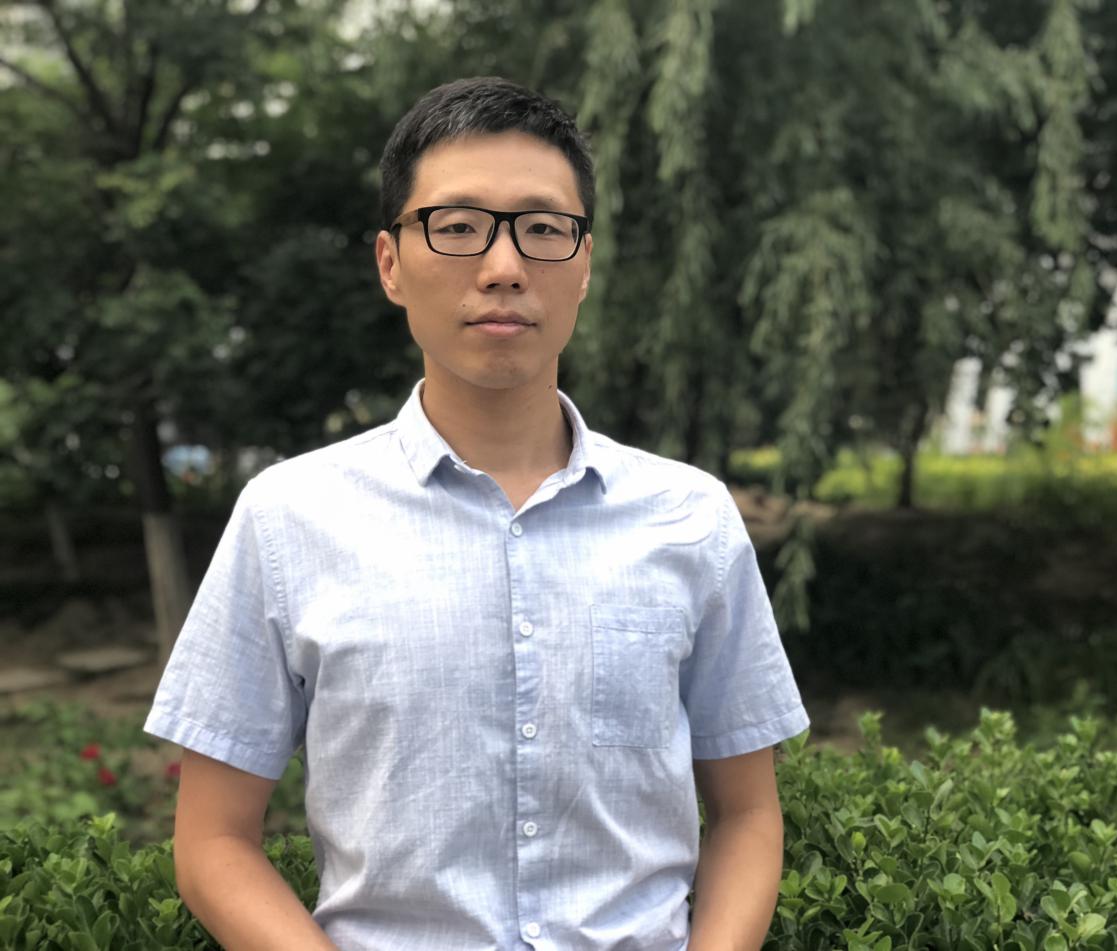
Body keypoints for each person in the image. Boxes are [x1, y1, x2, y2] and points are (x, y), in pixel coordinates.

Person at [144, 76, 810, 951]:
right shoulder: (289, 517)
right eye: (457, 227)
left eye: (542, 229)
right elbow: (213, 841)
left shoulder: (690, 516)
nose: (503, 267)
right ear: (390, 263)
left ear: (583, 264)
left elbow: (747, 814)